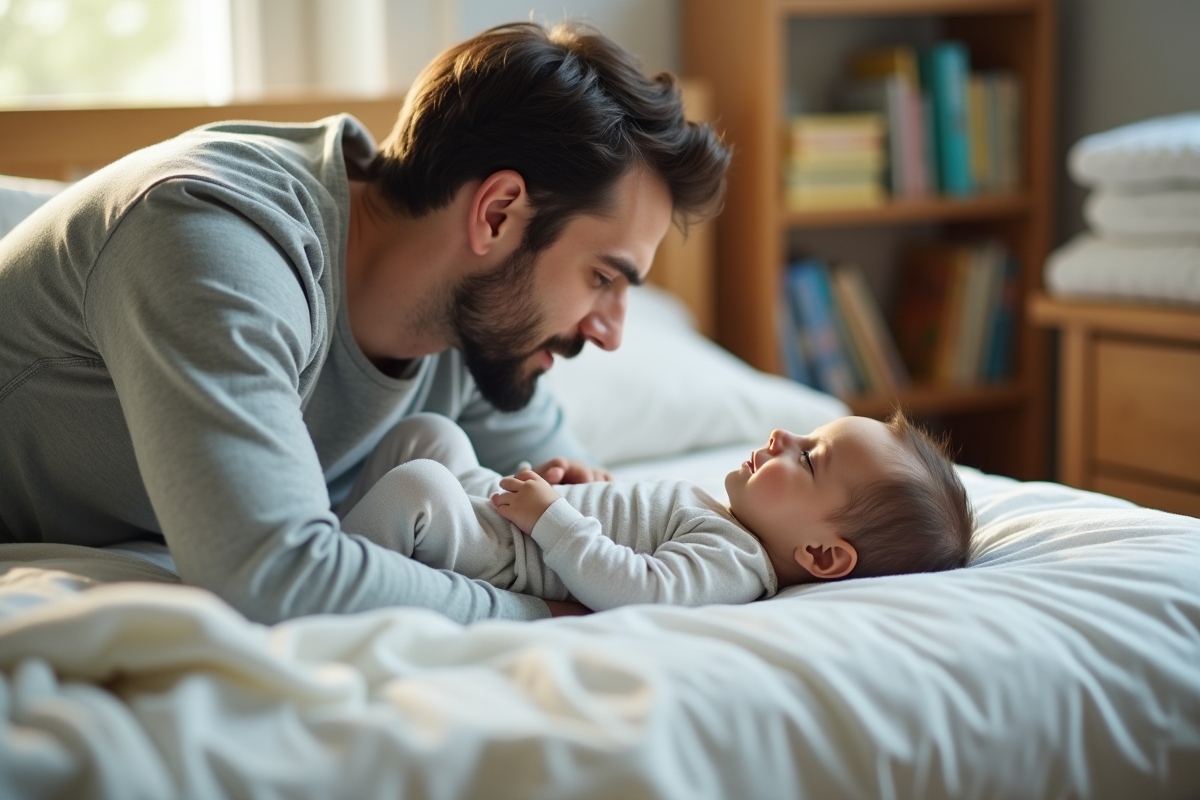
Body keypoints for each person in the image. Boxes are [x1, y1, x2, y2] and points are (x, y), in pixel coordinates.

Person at [0, 22, 731, 624]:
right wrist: (534, 613)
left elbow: (578, 516)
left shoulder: (471, 326)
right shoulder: (211, 238)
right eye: (603, 278)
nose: (610, 333)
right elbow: (271, 573)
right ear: (498, 213)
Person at [339, 410, 974, 611]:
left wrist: (554, 518)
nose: (784, 438)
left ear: (822, 555)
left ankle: (329, 574)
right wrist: (587, 490)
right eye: (807, 435)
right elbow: (630, 525)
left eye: (808, 460)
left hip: (507, 551)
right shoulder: (729, 519)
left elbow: (640, 587)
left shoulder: (738, 562)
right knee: (434, 432)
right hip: (512, 507)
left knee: (420, 484)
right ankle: (345, 529)